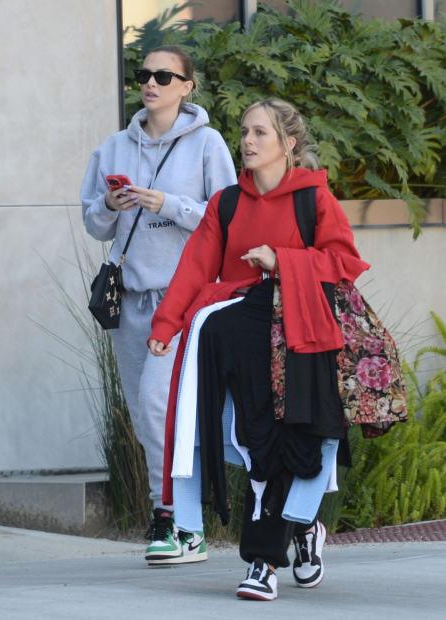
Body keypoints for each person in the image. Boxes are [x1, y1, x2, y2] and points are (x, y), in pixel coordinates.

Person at [148, 99, 371, 599]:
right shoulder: (226, 203)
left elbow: (344, 263)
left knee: (301, 440)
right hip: (240, 343)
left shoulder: (314, 200)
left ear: (289, 144)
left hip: (305, 341)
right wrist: (167, 323)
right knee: (256, 445)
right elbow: (195, 266)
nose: (247, 141)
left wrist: (281, 259)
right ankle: (296, 536)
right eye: (243, 132)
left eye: (259, 133)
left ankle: (265, 561)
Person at [81, 45, 237, 565]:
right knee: (144, 412)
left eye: (164, 76)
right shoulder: (113, 148)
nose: (151, 83)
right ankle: (175, 517)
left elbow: (229, 218)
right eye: (144, 75)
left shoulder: (208, 144)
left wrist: (167, 204)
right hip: (129, 302)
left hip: (184, 300)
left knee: (155, 404)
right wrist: (110, 203)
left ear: (187, 86)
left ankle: (171, 517)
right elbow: (93, 224)